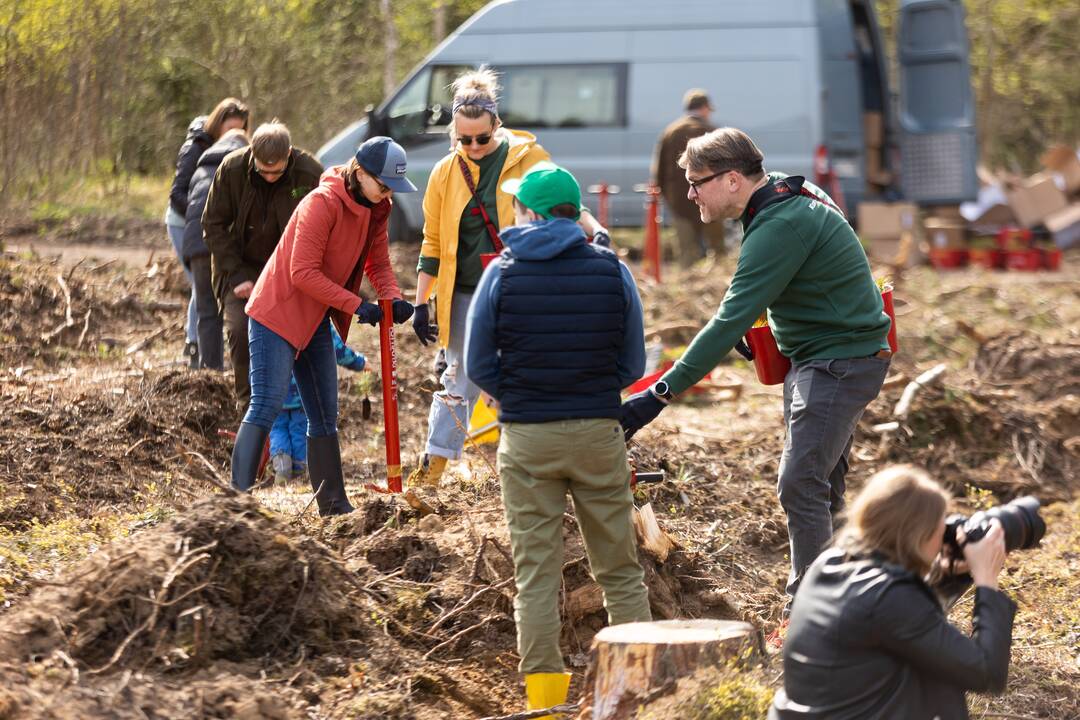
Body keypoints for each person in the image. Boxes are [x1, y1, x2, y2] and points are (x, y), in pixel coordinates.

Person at [620, 128, 893, 612]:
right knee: (822, 483)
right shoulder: (791, 192)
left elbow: (729, 319)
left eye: (695, 182)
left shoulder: (779, 225)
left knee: (800, 482)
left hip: (839, 362)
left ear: (730, 180)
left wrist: (658, 394)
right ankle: (848, 593)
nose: (688, 193)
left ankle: (812, 612)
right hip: (822, 354)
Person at [464, 162, 652, 715]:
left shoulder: (503, 271)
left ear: (531, 213)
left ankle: (545, 704)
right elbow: (631, 363)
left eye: (518, 204)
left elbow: (478, 363)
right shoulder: (612, 271)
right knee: (619, 569)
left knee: (536, 575)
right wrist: (590, 388)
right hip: (598, 432)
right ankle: (634, 693)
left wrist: (520, 394)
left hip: (527, 440)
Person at [229, 136, 415, 516]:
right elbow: (302, 272)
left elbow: (377, 265)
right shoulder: (322, 203)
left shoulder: (376, 209)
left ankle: (333, 505)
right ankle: (235, 507)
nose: (386, 194)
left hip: (315, 318)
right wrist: (357, 305)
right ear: (360, 173)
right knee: (265, 404)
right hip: (276, 313)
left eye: (392, 188)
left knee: (324, 413)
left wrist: (392, 298)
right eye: (382, 185)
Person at [770, 465, 1016, 719]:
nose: (945, 535)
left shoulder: (830, 563)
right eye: (940, 527)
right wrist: (986, 579)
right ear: (919, 534)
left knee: (932, 661)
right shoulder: (890, 595)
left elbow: (907, 626)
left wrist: (942, 575)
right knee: (939, 677)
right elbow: (986, 672)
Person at [408, 66, 550, 488]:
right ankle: (432, 470)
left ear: (497, 125)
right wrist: (420, 302)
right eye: (463, 139)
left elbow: (554, 218)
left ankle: (521, 469)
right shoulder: (444, 173)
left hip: (519, 290)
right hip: (465, 294)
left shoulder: (531, 162)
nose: (472, 146)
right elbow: (432, 243)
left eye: (481, 138)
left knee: (520, 375)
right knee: (458, 381)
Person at [203, 121, 324, 410]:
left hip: (290, 271)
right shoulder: (231, 170)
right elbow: (213, 224)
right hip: (240, 270)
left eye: (277, 171)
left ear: (290, 155)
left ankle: (294, 407)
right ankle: (249, 407)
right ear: (251, 155)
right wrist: (236, 275)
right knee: (241, 330)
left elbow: (325, 225)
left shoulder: (309, 174)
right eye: (263, 170)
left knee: (295, 337)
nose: (270, 177)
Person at [166, 98, 250, 366]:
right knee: (202, 290)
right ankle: (195, 349)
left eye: (239, 129)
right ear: (218, 124)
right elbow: (177, 193)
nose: (232, 134)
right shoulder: (196, 148)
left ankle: (204, 358)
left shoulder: (228, 156)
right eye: (229, 128)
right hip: (183, 222)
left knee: (205, 293)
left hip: (204, 223)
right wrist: (201, 215)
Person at [270, 325, 368, 484]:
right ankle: (300, 470)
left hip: (275, 390)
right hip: (301, 391)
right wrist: (360, 362)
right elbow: (337, 348)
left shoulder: (272, 317)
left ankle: (281, 464)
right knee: (299, 430)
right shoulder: (313, 316)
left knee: (278, 429)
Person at [652, 89, 726, 266]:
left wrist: (667, 197)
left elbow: (659, 170)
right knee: (718, 251)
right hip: (711, 198)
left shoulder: (670, 132)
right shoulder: (712, 132)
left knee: (686, 251)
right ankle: (719, 285)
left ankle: (686, 286)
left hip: (679, 201)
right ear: (704, 108)